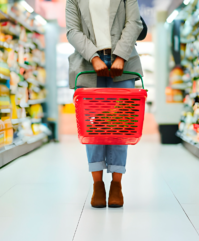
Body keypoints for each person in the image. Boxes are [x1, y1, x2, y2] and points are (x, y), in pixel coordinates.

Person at [66, 0, 144, 208]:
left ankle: (116, 185)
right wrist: (93, 57)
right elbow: (73, 31)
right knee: (93, 127)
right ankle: (97, 184)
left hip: (123, 63)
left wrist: (120, 55)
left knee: (121, 125)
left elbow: (134, 23)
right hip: (87, 63)